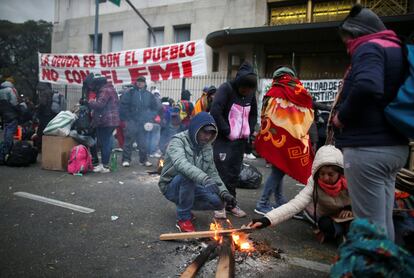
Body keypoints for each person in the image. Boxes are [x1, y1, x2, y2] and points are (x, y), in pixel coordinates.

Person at [332, 4, 408, 241]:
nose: (348, 49)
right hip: (393, 146)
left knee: (369, 228)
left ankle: (373, 268)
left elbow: (366, 86)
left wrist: (341, 116)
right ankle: (388, 266)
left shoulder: (369, 48)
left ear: (357, 33)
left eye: (347, 42)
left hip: (368, 150)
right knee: (382, 223)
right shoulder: (396, 49)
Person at [248, 145, 352, 244]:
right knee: (325, 225)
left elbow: (365, 201)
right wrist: (266, 220)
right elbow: (295, 205)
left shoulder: (352, 180)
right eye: (322, 174)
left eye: (330, 174)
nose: (325, 178)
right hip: (325, 216)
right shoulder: (314, 182)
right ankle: (339, 234)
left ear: (340, 173)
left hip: (349, 215)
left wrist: (350, 208)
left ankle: (342, 233)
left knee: (356, 225)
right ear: (317, 173)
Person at [158, 112, 236, 232]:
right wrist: (204, 179)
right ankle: (183, 218)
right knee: (187, 176)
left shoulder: (206, 146)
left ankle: (186, 207)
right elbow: (181, 164)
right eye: (205, 132)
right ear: (195, 128)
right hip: (171, 187)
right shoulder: (178, 141)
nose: (207, 137)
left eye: (211, 133)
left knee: (219, 202)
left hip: (191, 186)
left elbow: (212, 172)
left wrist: (225, 193)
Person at [254, 66, 314, 215]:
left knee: (279, 168)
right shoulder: (297, 91)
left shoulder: (272, 92)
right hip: (291, 138)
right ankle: (262, 203)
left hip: (273, 137)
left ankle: (279, 199)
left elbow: (265, 114)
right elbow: (307, 110)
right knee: (279, 170)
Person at [210, 61, 258, 218]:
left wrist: (249, 130)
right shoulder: (226, 89)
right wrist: (227, 130)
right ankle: (219, 205)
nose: (246, 92)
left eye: (250, 89)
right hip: (224, 139)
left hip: (240, 141)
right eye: (244, 88)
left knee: (234, 173)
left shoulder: (250, 94)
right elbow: (215, 111)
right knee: (221, 172)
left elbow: (253, 114)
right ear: (239, 83)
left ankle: (231, 204)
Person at [120, 76, 161, 167]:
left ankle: (143, 160)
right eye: (138, 81)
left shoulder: (149, 95)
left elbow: (155, 108)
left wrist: (150, 118)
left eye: (142, 82)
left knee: (143, 142)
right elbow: (123, 106)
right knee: (128, 141)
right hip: (132, 121)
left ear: (144, 83)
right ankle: (126, 160)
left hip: (144, 122)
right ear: (136, 82)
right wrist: (127, 118)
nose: (140, 83)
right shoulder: (129, 93)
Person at [87, 74, 120, 173]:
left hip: (106, 120)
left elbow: (100, 104)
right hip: (111, 120)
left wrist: (91, 101)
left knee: (104, 143)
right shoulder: (110, 89)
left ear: (98, 83)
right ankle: (105, 164)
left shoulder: (105, 90)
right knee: (106, 142)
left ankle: (105, 166)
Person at [0, 79, 19, 158]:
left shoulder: (0, 91)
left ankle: (5, 147)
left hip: (3, 113)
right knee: (10, 130)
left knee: (6, 129)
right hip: (11, 113)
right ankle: (8, 147)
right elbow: (14, 102)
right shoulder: (10, 90)